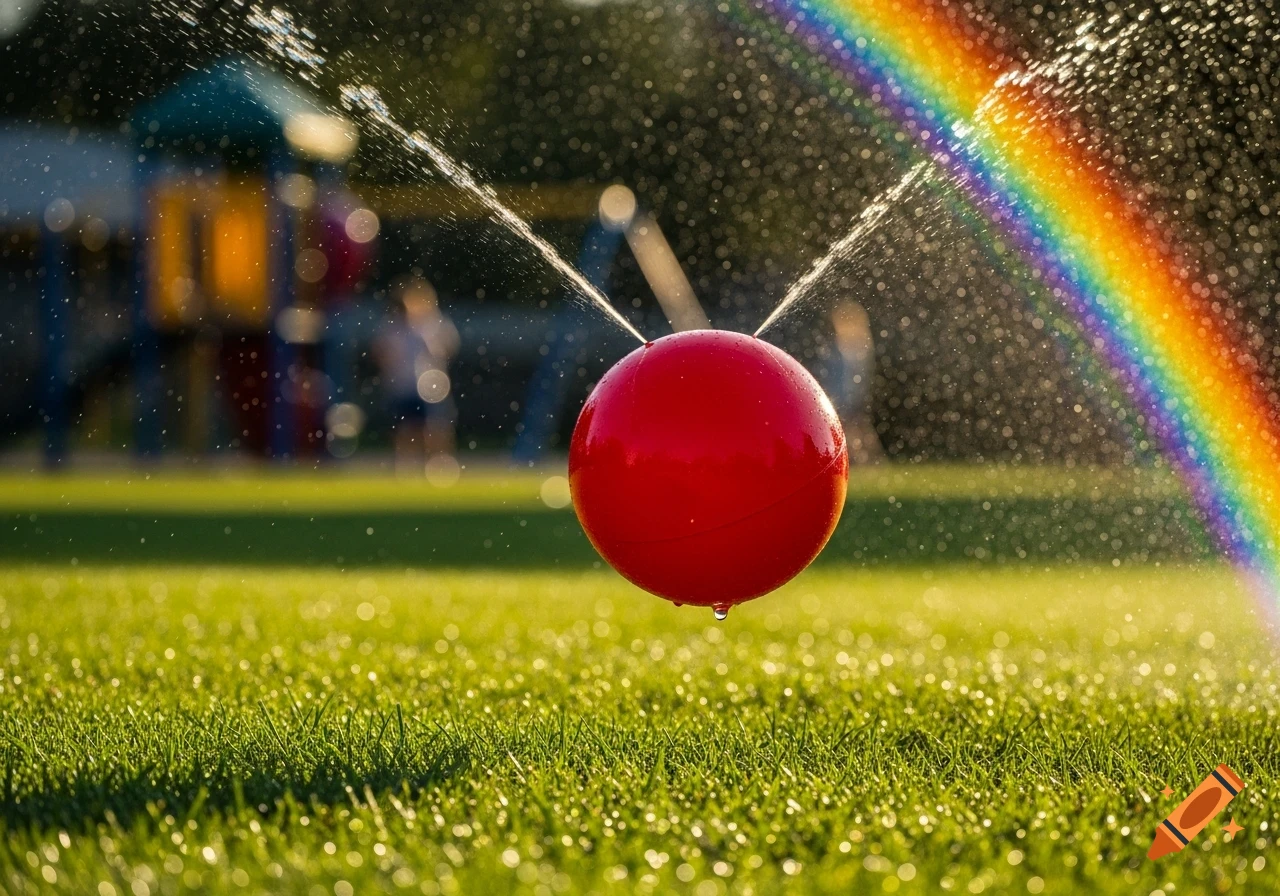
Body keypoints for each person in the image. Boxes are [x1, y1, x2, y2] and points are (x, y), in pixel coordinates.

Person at [374, 277, 460, 475]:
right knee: (404, 429)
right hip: (403, 385)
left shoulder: (434, 324)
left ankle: (439, 465)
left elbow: (446, 349)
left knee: (435, 428)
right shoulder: (393, 327)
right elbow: (381, 354)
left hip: (430, 386)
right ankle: (404, 467)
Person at [830, 300, 883, 464]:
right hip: (849, 397)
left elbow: (848, 378)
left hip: (847, 398)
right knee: (858, 431)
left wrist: (845, 398)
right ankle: (871, 463)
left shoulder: (852, 346)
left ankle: (870, 462)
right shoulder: (857, 344)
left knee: (855, 431)